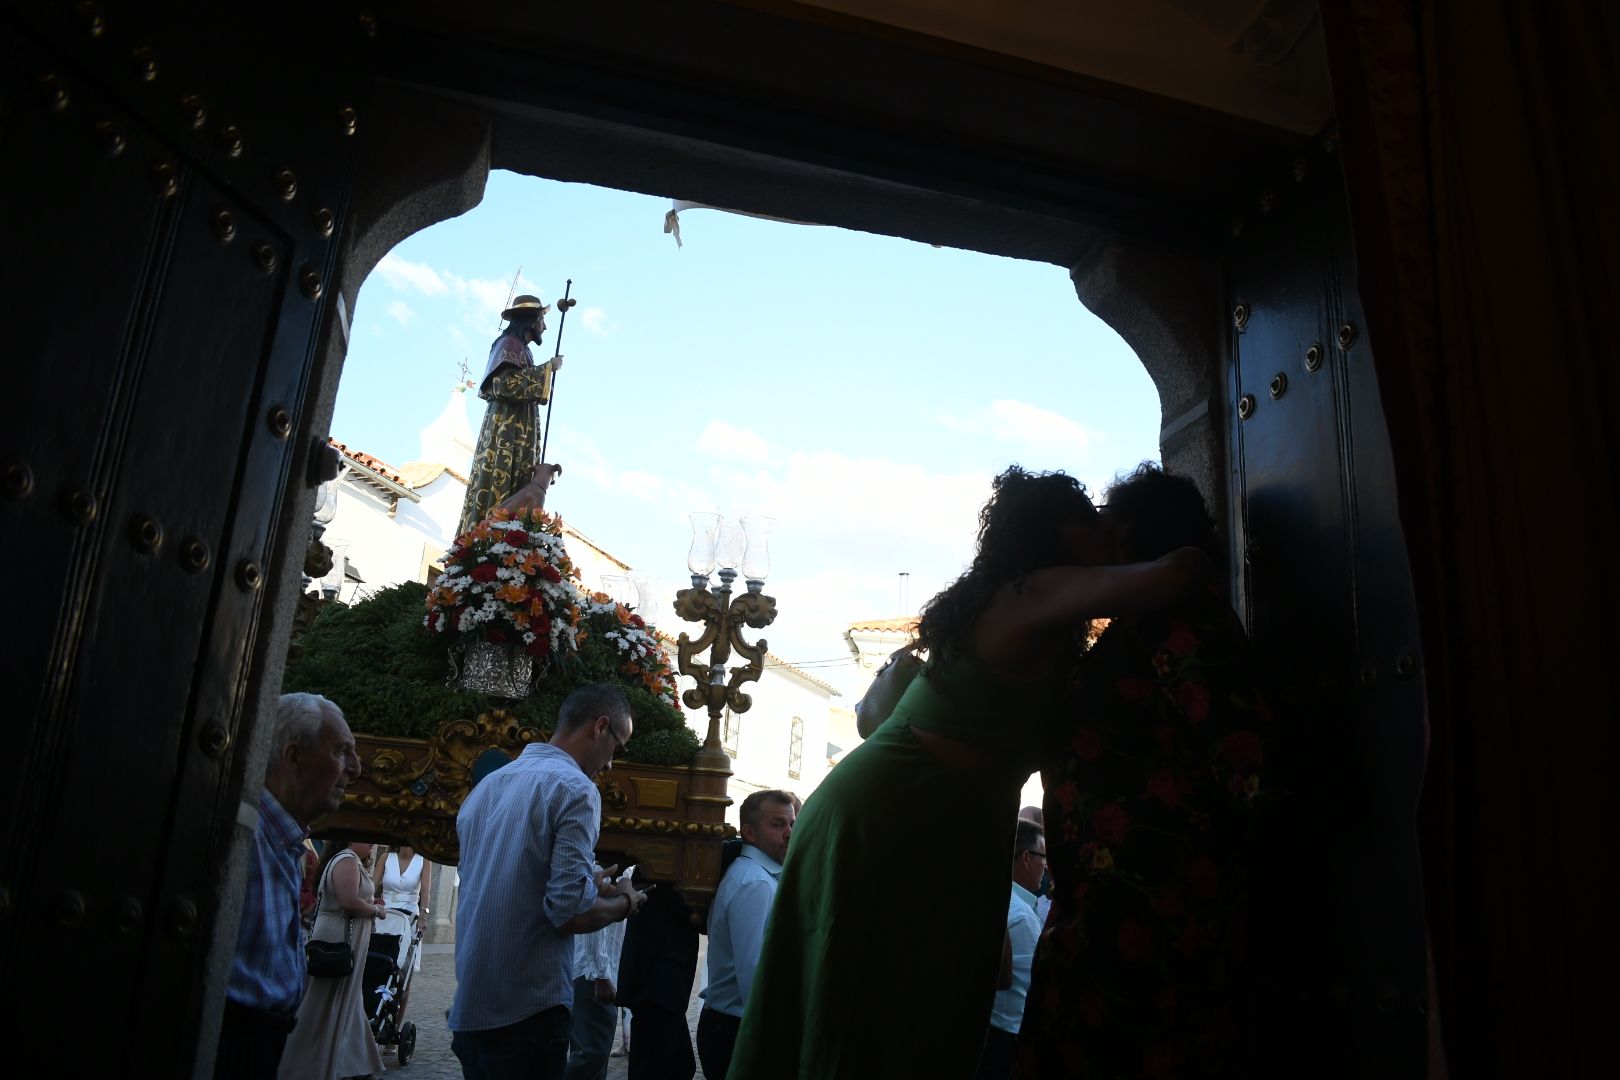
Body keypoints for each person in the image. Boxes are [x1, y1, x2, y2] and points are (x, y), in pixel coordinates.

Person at [728, 465, 1210, 1078]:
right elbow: (1179, 571)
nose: (1106, 531)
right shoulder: (1032, 590)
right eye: (1092, 521)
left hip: (935, 827)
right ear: (1056, 534)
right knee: (878, 1012)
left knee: (907, 1015)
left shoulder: (1030, 612)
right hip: (895, 820)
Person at [1018, 464, 1278, 1078]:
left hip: (1151, 914)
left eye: (1107, 521)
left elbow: (1244, 755)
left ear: (1131, 531)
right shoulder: (1144, 616)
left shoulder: (1178, 610)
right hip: (1112, 903)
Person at [449, 682, 649, 1079]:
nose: (611, 764)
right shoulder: (576, 789)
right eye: (618, 746)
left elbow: (509, 876)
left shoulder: (489, 785)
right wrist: (626, 902)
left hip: (471, 1002)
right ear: (600, 726)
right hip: (528, 1006)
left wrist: (588, 881)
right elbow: (569, 914)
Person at [216, 692, 360, 1080]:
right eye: (342, 751)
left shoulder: (285, 840)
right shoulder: (243, 837)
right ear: (294, 756)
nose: (356, 768)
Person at [697, 790, 796, 1080]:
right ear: (750, 833)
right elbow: (753, 975)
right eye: (778, 825)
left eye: (792, 823)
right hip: (736, 1030)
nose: (789, 832)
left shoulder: (754, 875)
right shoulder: (755, 883)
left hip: (730, 1026)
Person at [458, 293, 566, 536]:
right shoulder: (508, 344)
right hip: (506, 430)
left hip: (518, 428)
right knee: (501, 483)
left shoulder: (522, 350)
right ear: (530, 321)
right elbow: (502, 385)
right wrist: (547, 368)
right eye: (542, 320)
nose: (545, 327)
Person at [278, 842, 388, 1079]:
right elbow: (348, 902)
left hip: (346, 933)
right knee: (326, 998)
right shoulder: (346, 859)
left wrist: (370, 904)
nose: (372, 842)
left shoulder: (351, 860)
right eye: (365, 837)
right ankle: (304, 1060)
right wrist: (375, 910)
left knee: (347, 997)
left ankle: (353, 1062)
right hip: (338, 936)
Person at [978, 819, 1045, 1080]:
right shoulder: (1022, 917)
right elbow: (1033, 988)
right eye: (1043, 855)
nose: (1046, 865)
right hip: (1005, 1040)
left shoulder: (994, 900)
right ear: (1026, 857)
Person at [615, 882, 699, 1080]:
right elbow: (690, 909)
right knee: (657, 1066)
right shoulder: (663, 871)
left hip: (658, 981)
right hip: (657, 983)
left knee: (680, 1064)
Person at [564, 863, 629, 1080]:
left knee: (593, 1056)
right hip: (593, 974)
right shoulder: (604, 863)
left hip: (597, 971)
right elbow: (595, 921)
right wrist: (601, 972)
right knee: (591, 1054)